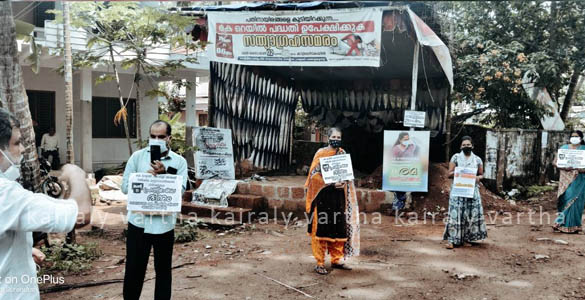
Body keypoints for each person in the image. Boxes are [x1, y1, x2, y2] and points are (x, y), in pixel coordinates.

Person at [0, 108, 92, 300]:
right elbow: (81, 215)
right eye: (17, 143)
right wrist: (76, 173)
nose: (23, 149)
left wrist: (23, 249)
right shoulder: (6, 194)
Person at [121, 120, 187, 300]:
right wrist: (144, 179)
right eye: (152, 136)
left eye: (160, 137)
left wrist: (165, 175)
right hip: (138, 224)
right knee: (134, 269)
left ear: (169, 138)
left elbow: (180, 191)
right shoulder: (137, 158)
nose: (156, 140)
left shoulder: (179, 162)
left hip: (164, 226)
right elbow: (125, 187)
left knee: (164, 271)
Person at [305, 127, 360, 275]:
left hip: (338, 198)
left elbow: (346, 174)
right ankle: (320, 262)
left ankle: (337, 259)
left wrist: (343, 182)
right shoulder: (320, 154)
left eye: (338, 137)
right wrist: (329, 183)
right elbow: (313, 176)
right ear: (327, 138)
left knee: (338, 228)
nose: (336, 139)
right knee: (321, 230)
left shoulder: (342, 154)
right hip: (322, 197)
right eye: (333, 137)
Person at [443, 136, 487, 249]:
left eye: (468, 145)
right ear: (460, 146)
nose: (466, 147)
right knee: (455, 214)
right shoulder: (456, 158)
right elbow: (449, 174)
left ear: (472, 146)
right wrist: (459, 172)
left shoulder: (477, 160)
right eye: (464, 145)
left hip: (472, 191)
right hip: (458, 190)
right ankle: (452, 240)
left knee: (470, 214)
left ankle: (467, 238)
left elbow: (482, 174)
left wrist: (478, 177)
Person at [553, 130, 585, 233]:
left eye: (576, 136)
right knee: (565, 199)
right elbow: (555, 162)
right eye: (572, 136)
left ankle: (571, 225)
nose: (574, 138)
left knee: (576, 201)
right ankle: (562, 224)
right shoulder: (563, 148)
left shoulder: (584, 149)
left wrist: (582, 169)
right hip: (565, 179)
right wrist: (564, 166)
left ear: (581, 138)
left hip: (579, 178)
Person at [390, 132, 418, 211]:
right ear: (400, 140)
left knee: (409, 189)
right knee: (399, 189)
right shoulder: (395, 148)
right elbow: (392, 160)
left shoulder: (411, 147)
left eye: (408, 139)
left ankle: (407, 206)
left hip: (410, 171)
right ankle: (397, 208)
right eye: (405, 139)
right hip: (399, 171)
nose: (407, 141)